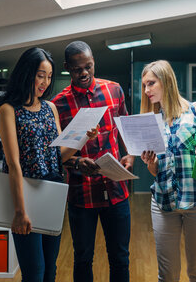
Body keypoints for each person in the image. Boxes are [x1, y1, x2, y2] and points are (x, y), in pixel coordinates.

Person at [0, 47, 98, 282]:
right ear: (26, 73)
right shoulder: (8, 110)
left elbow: (57, 156)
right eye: (41, 75)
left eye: (49, 77)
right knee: (34, 273)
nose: (45, 82)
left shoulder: (50, 108)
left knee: (50, 270)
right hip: (25, 195)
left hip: (53, 192)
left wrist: (84, 138)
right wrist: (19, 212)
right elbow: (14, 164)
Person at [139, 60, 196, 282]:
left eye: (151, 83)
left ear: (166, 81)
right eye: (144, 85)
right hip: (163, 201)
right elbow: (155, 171)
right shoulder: (150, 121)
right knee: (167, 275)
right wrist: (150, 163)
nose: (146, 90)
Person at [51, 40, 135, 282]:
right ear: (67, 67)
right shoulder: (58, 104)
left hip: (116, 189)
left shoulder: (114, 90)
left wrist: (129, 154)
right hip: (81, 193)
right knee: (83, 258)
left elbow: (125, 129)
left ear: (94, 62)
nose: (84, 73)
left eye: (88, 66)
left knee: (120, 257)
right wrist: (77, 162)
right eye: (78, 69)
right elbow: (56, 154)